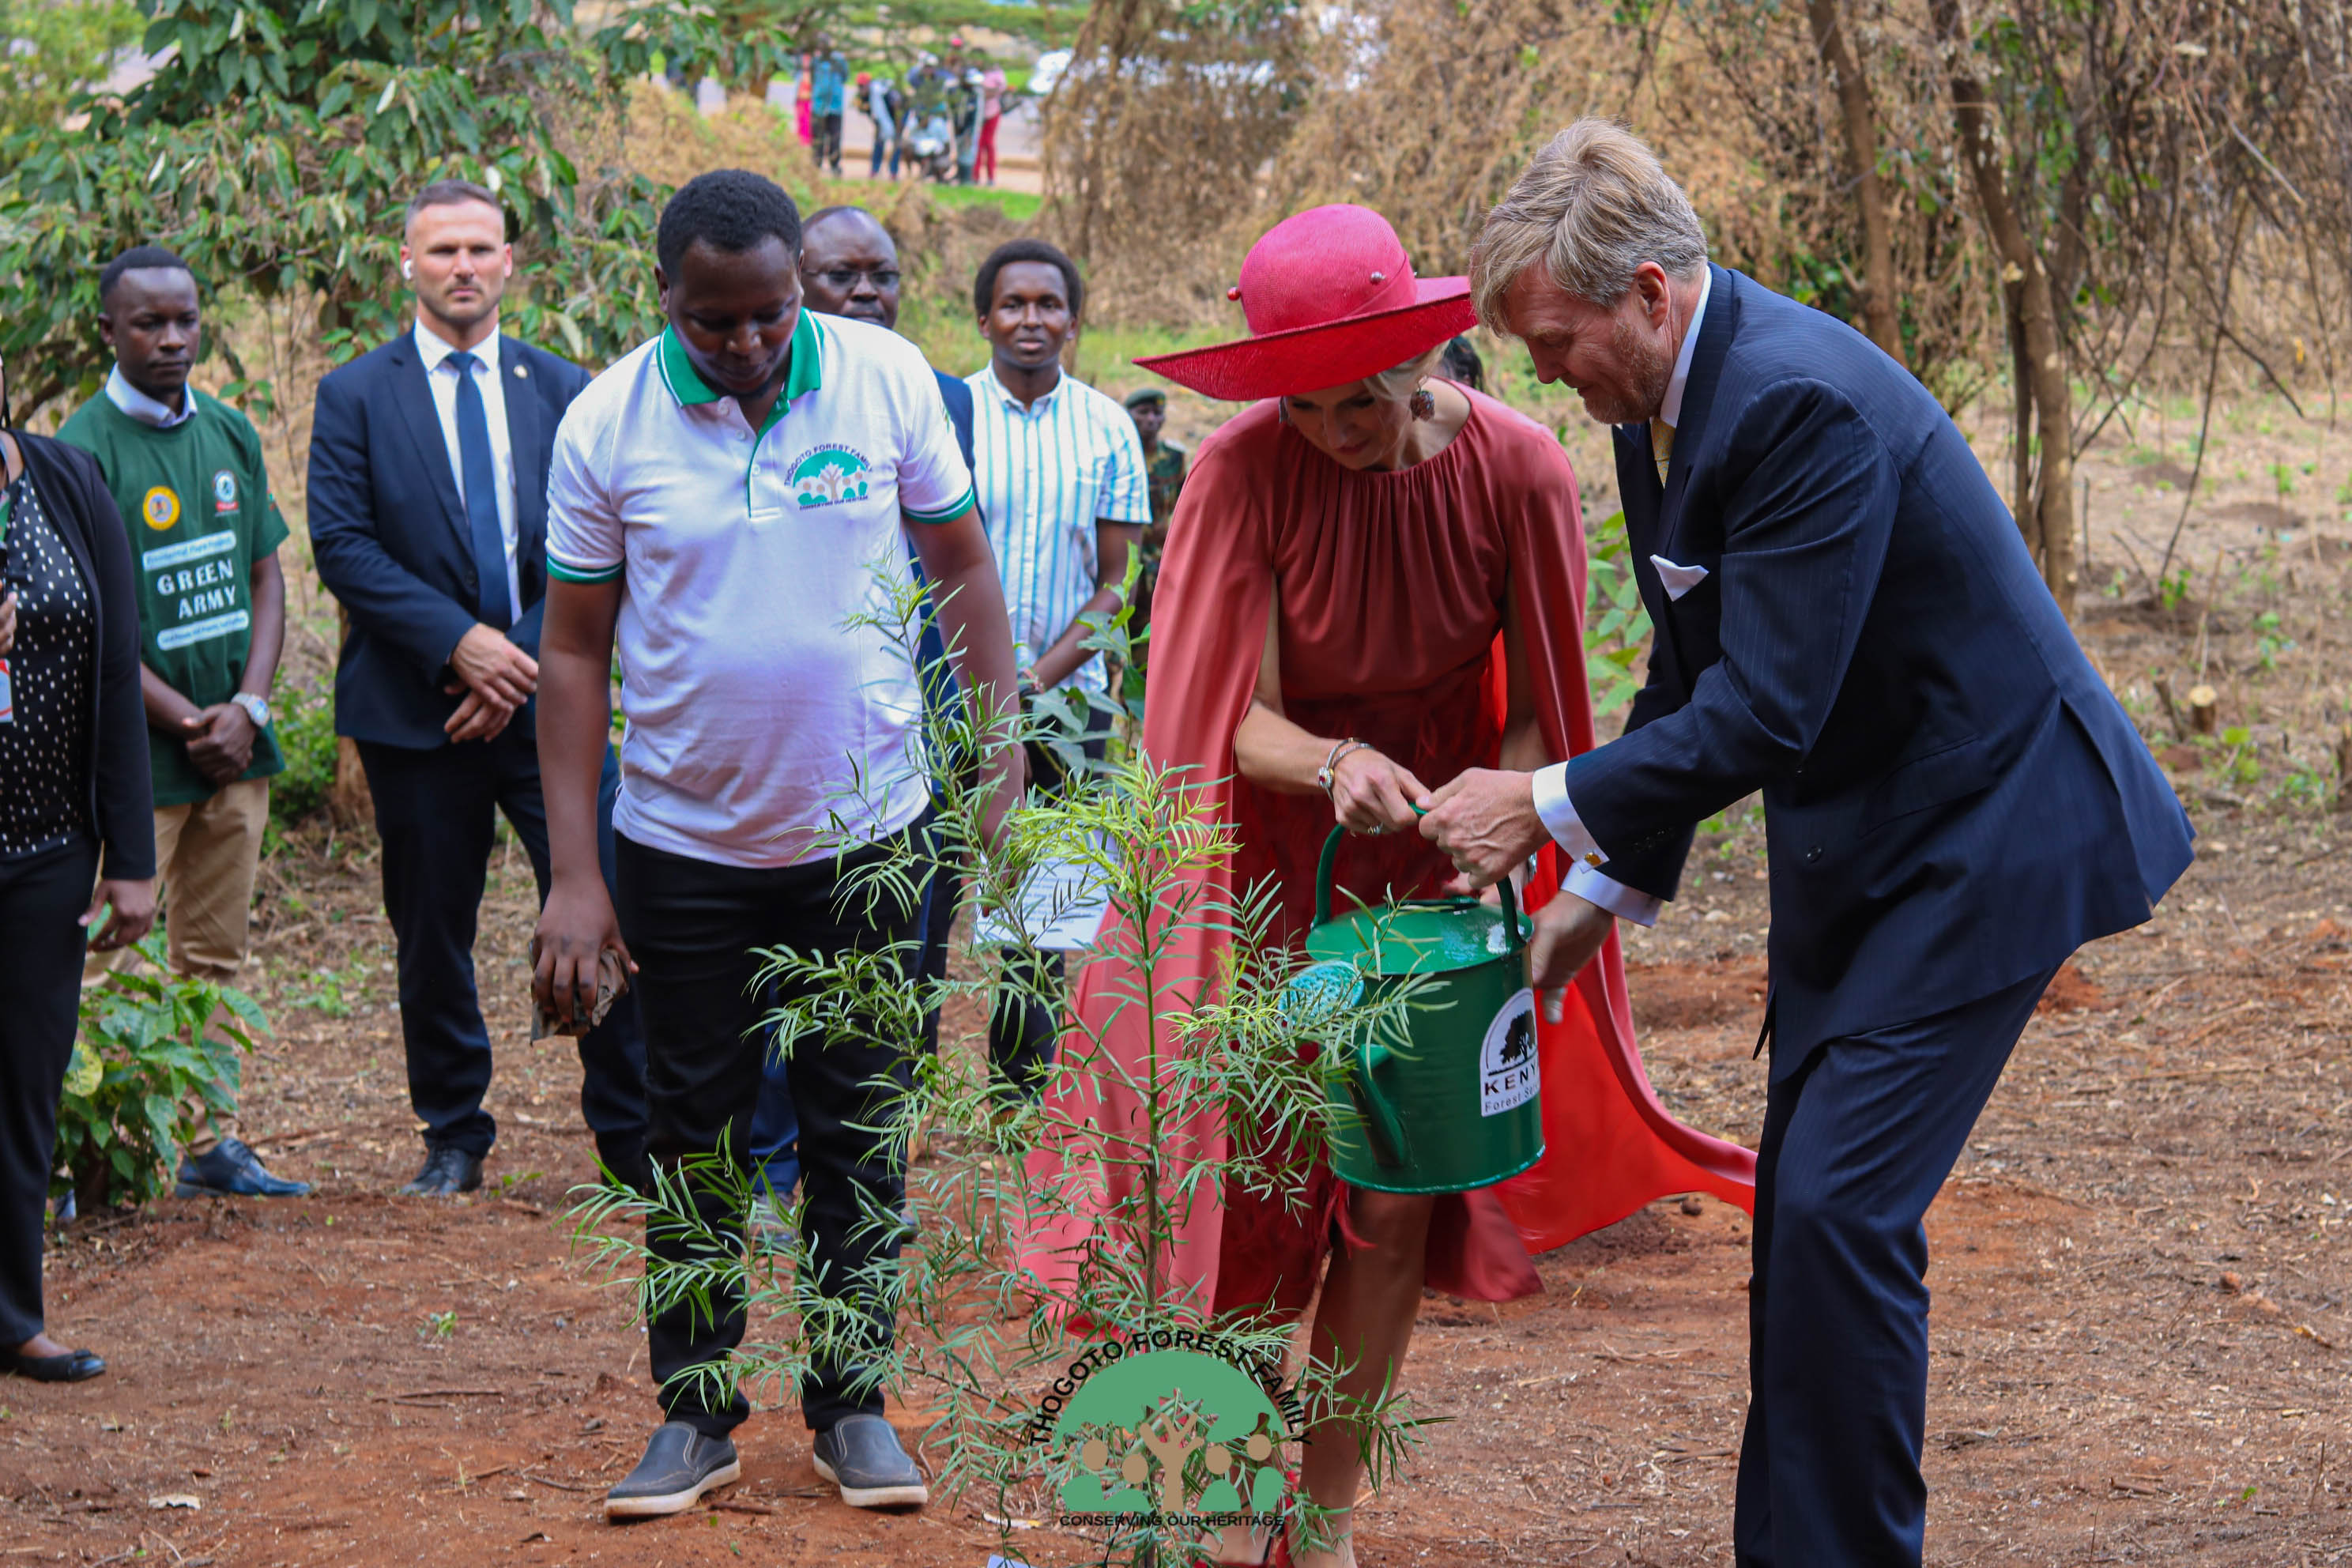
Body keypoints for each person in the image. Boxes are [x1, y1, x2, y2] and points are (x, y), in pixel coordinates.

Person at [1423, 122, 2194, 1568]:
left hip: (1990, 834)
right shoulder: (1659, 401)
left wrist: (1538, 802)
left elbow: (1770, 710)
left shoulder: (1792, 403)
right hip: (1880, 846)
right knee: (1804, 1217)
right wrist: (1602, 883)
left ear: (1648, 292)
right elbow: (1691, 666)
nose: (1542, 372)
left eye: (1554, 339)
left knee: (1840, 1213)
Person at [1024, 204, 1757, 1568]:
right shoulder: (1243, 471)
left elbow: (1543, 708)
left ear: (1421, 360)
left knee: (1391, 1197)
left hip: (1437, 874)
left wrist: (1499, 831)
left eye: (1360, 401)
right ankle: (1183, 1510)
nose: (1333, 433)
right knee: (1229, 1190)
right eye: (1302, 406)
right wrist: (1337, 759)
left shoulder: (1520, 468)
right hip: (1259, 871)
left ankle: (1324, 1521)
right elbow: (1219, 716)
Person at [529, 170, 1022, 1521]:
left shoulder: (884, 379)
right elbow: (572, 650)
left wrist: (999, 761)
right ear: (666, 297)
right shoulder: (605, 422)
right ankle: (694, 1416)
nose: (747, 343)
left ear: (799, 287)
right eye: (715, 321)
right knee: (689, 1133)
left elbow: (963, 568)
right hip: (682, 845)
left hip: (869, 837)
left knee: (859, 1122)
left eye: (770, 313)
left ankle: (853, 1405)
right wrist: (575, 875)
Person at [307, 179, 648, 1198]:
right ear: (406, 264)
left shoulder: (567, 387)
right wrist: (460, 646)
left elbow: (604, 539)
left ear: (509, 262)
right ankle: (454, 1131)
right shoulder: (354, 393)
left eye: (479, 248)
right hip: (416, 712)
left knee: (608, 901)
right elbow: (343, 546)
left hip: (555, 706)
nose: (462, 265)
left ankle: (630, 1137)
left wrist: (514, 660)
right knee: (431, 930)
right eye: (442, 248)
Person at [739, 204, 984, 1242]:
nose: (869, 293)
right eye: (844, 275)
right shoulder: (760, 388)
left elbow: (957, 558)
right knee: (789, 950)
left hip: (920, 709)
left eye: (883, 275)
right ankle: (768, 1167)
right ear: (796, 280)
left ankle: (872, 1165)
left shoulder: (937, 392)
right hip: (798, 723)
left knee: (907, 954)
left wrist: (971, 717)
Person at [58, 247, 307, 1199]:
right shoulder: (82, 450)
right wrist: (189, 718)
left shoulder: (231, 431)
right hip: (139, 760)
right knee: (106, 957)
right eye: (149, 323)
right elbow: (88, 621)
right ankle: (81, 1150)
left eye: (186, 321)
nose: (172, 339)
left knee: (214, 955)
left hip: (236, 754)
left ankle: (208, 1140)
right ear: (108, 331)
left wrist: (248, 706)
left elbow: (266, 577)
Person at [0, 375, 157, 1383]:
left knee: (25, 1083)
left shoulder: (65, 479)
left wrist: (130, 857)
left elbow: (114, 667)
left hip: (47, 852)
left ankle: (14, 1316)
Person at [967, 239, 1150, 1095]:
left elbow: (1119, 580)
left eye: (1049, 305)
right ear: (984, 318)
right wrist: (982, 683)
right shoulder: (949, 415)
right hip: (950, 694)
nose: (1031, 320)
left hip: (1066, 704)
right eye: (1014, 304)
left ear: (1074, 322)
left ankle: (1020, 1093)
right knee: (923, 886)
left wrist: (1034, 679)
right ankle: (895, 1085)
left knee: (1045, 903)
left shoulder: (1108, 428)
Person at [1121, 385, 1185, 662]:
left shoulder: (1173, 458)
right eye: (1143, 412)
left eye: (1157, 413)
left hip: (1160, 560)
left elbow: (1185, 503)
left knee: (1155, 635)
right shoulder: (1118, 454)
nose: (1151, 420)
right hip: (1123, 559)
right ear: (1127, 414)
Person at [810, 41, 847, 176]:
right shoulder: (816, 61)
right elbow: (812, 78)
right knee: (818, 137)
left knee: (835, 138)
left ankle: (834, 164)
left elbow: (845, 77)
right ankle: (816, 163)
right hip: (819, 105)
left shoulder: (840, 61)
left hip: (835, 106)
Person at [975, 58, 1006, 185]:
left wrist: (986, 92)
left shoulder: (997, 74)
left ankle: (991, 176)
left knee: (988, 143)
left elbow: (1001, 88)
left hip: (992, 112)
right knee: (978, 144)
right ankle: (975, 175)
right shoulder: (977, 73)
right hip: (979, 113)